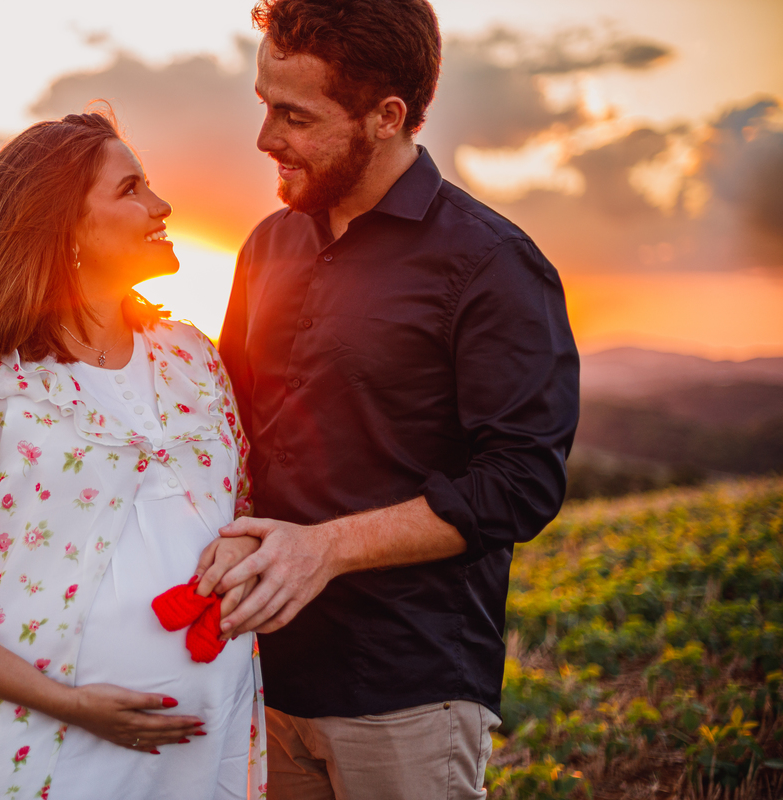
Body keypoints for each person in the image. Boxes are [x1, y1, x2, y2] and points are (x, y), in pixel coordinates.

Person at [196, 1, 581, 798]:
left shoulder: (493, 265)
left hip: (407, 692)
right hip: (257, 680)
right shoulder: (267, 245)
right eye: (264, 104)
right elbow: (228, 433)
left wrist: (326, 547)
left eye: (293, 115)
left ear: (386, 116)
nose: (265, 138)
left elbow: (521, 482)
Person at [0, 110, 267, 800]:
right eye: (131, 189)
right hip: (39, 754)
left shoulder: (194, 358)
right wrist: (68, 702)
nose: (161, 206)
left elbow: (243, 520)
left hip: (207, 754)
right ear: (66, 229)